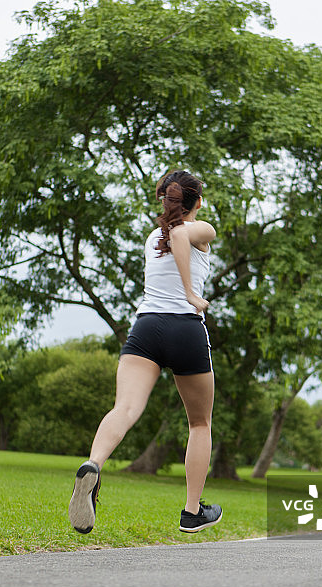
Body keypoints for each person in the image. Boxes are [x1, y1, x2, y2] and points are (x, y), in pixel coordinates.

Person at [68, 170, 222, 534]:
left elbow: (173, 233)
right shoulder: (202, 229)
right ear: (196, 201)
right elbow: (183, 233)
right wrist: (189, 292)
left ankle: (93, 465)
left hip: (147, 327)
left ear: (164, 200)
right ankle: (192, 510)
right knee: (199, 423)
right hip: (185, 328)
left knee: (125, 408)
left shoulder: (153, 236)